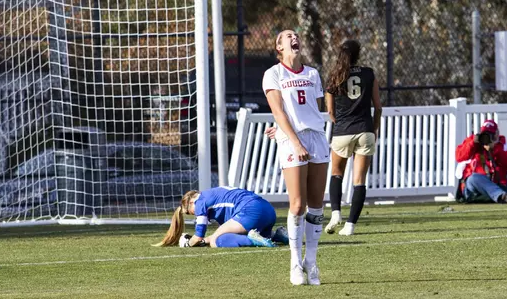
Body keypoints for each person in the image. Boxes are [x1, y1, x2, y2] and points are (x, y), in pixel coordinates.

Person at [262, 29, 329, 286]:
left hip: (317, 137)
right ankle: (295, 263)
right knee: (298, 205)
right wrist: (293, 139)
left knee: (316, 205)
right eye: (288, 36)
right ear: (279, 46)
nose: (294, 38)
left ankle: (311, 262)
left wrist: (302, 134)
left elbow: (314, 108)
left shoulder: (312, 73)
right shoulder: (273, 74)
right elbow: (278, 111)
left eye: (297, 34)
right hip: (293, 140)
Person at [323, 40, 382, 236]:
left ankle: (336, 213)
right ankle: (350, 226)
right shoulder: (368, 73)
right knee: (359, 180)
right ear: (358, 54)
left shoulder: (334, 77)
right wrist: (374, 128)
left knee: (336, 174)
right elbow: (378, 107)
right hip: (365, 130)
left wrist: (339, 123)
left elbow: (330, 111)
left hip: (342, 131)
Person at [153, 186, 289, 248]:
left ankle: (254, 241)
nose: (193, 215)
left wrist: (189, 243)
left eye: (189, 212)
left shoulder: (200, 201)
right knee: (222, 238)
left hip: (250, 210)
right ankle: (277, 235)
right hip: (267, 209)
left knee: (216, 242)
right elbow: (227, 233)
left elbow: (199, 235)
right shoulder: (214, 197)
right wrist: (202, 241)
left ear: (191, 202)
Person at [455, 119, 507, 203]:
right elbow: (459, 157)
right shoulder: (473, 142)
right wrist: (473, 143)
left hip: (499, 183)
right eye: (485, 134)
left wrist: (495, 150)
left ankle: (501, 195)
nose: (487, 137)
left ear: (497, 133)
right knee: (474, 178)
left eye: (490, 134)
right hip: (475, 188)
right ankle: (501, 196)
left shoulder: (503, 145)